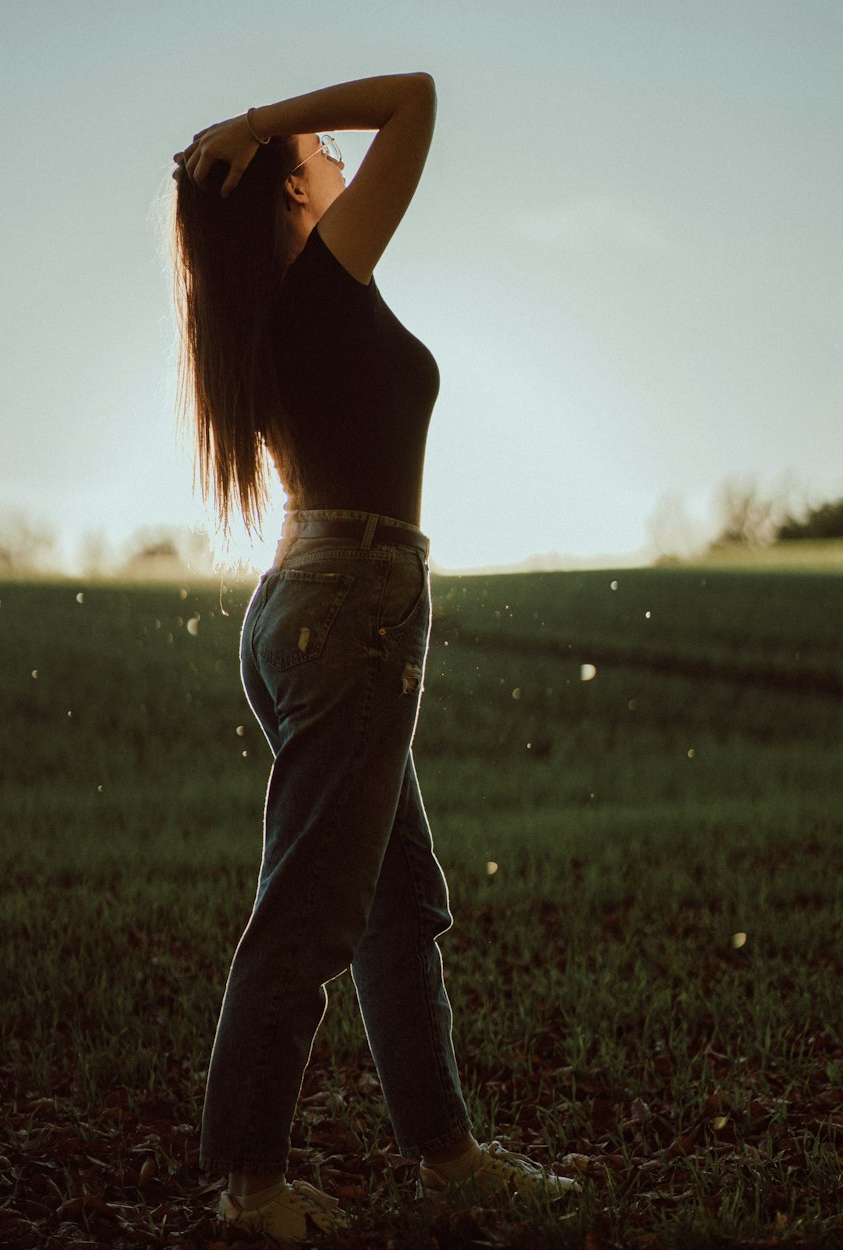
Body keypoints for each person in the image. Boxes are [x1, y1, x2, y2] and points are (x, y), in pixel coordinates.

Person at [172, 73, 579, 1241]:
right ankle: (248, 1183)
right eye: (315, 145)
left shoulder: (290, 301)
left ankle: (445, 1154)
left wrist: (261, 140)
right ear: (292, 185)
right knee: (308, 912)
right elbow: (416, 96)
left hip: (318, 598)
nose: (339, 148)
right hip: (353, 603)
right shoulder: (314, 283)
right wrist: (257, 122)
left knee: (398, 900)